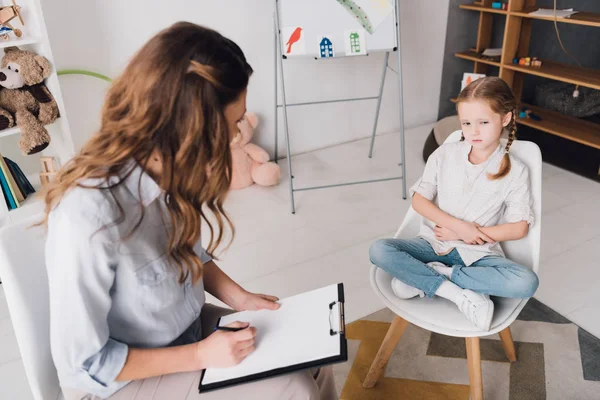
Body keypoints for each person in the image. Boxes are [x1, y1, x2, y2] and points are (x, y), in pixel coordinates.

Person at [42, 22, 337, 400]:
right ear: (192, 125)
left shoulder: (168, 171)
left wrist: (240, 298)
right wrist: (200, 355)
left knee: (312, 348)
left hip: (185, 334)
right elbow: (85, 363)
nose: (236, 136)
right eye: (232, 124)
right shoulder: (88, 216)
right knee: (292, 389)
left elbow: (189, 254)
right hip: (117, 383)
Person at [369, 77, 539, 332]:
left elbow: (519, 228)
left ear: (505, 119)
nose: (474, 131)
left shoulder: (516, 171)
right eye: (467, 123)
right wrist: (459, 227)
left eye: (483, 122)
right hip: (432, 244)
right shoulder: (445, 154)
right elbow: (419, 200)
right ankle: (459, 294)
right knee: (379, 250)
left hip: (478, 255)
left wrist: (469, 235)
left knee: (526, 282)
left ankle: (434, 276)